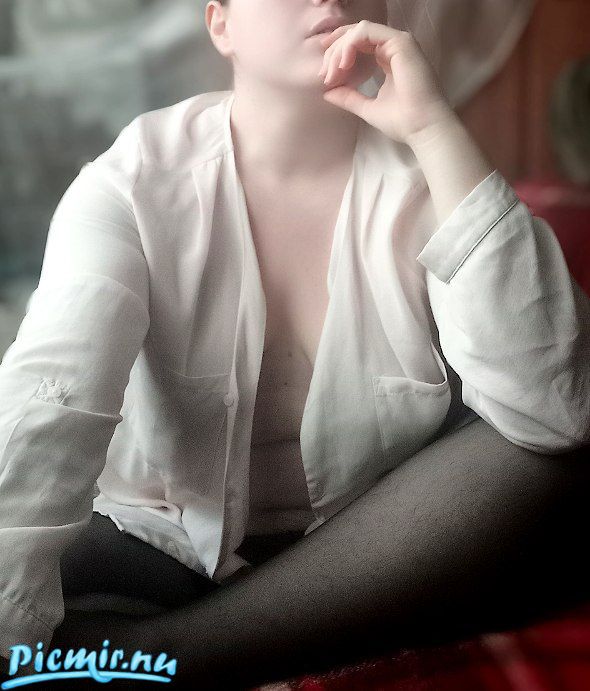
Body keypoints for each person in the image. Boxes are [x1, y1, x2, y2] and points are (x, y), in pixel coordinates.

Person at [1, 0, 590, 687]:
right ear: (221, 24)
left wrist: (434, 128)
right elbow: (51, 405)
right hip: (159, 540)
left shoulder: (428, 175)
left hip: (378, 544)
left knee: (560, 464)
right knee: (36, 569)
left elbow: (557, 407)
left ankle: (175, 655)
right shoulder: (129, 184)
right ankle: (235, 637)